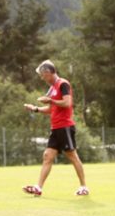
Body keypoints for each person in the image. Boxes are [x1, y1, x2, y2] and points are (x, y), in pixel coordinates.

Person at [22, 60, 89, 197]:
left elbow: (67, 103)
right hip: (56, 128)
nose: (42, 78)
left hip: (65, 126)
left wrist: (51, 100)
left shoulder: (63, 84)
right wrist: (35, 109)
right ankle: (38, 188)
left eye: (42, 75)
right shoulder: (52, 88)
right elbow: (51, 109)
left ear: (48, 73)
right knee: (47, 156)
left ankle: (84, 187)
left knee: (72, 156)